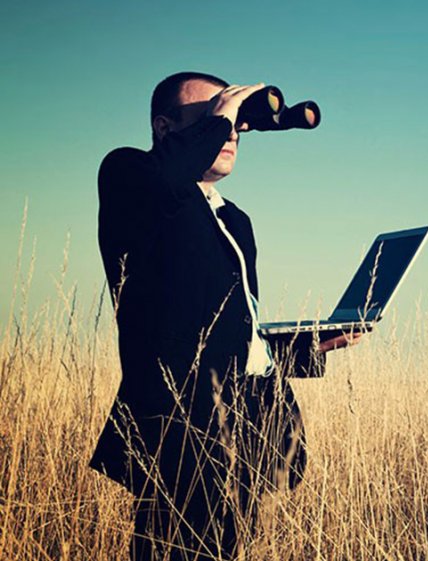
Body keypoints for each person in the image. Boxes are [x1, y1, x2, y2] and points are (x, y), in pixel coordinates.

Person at [91, 71, 358, 560]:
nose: (232, 129)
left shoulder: (235, 220)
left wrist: (305, 349)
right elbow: (169, 187)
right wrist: (221, 118)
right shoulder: (128, 174)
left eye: (236, 121)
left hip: (244, 426)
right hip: (182, 428)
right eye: (215, 116)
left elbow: (231, 331)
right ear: (164, 126)